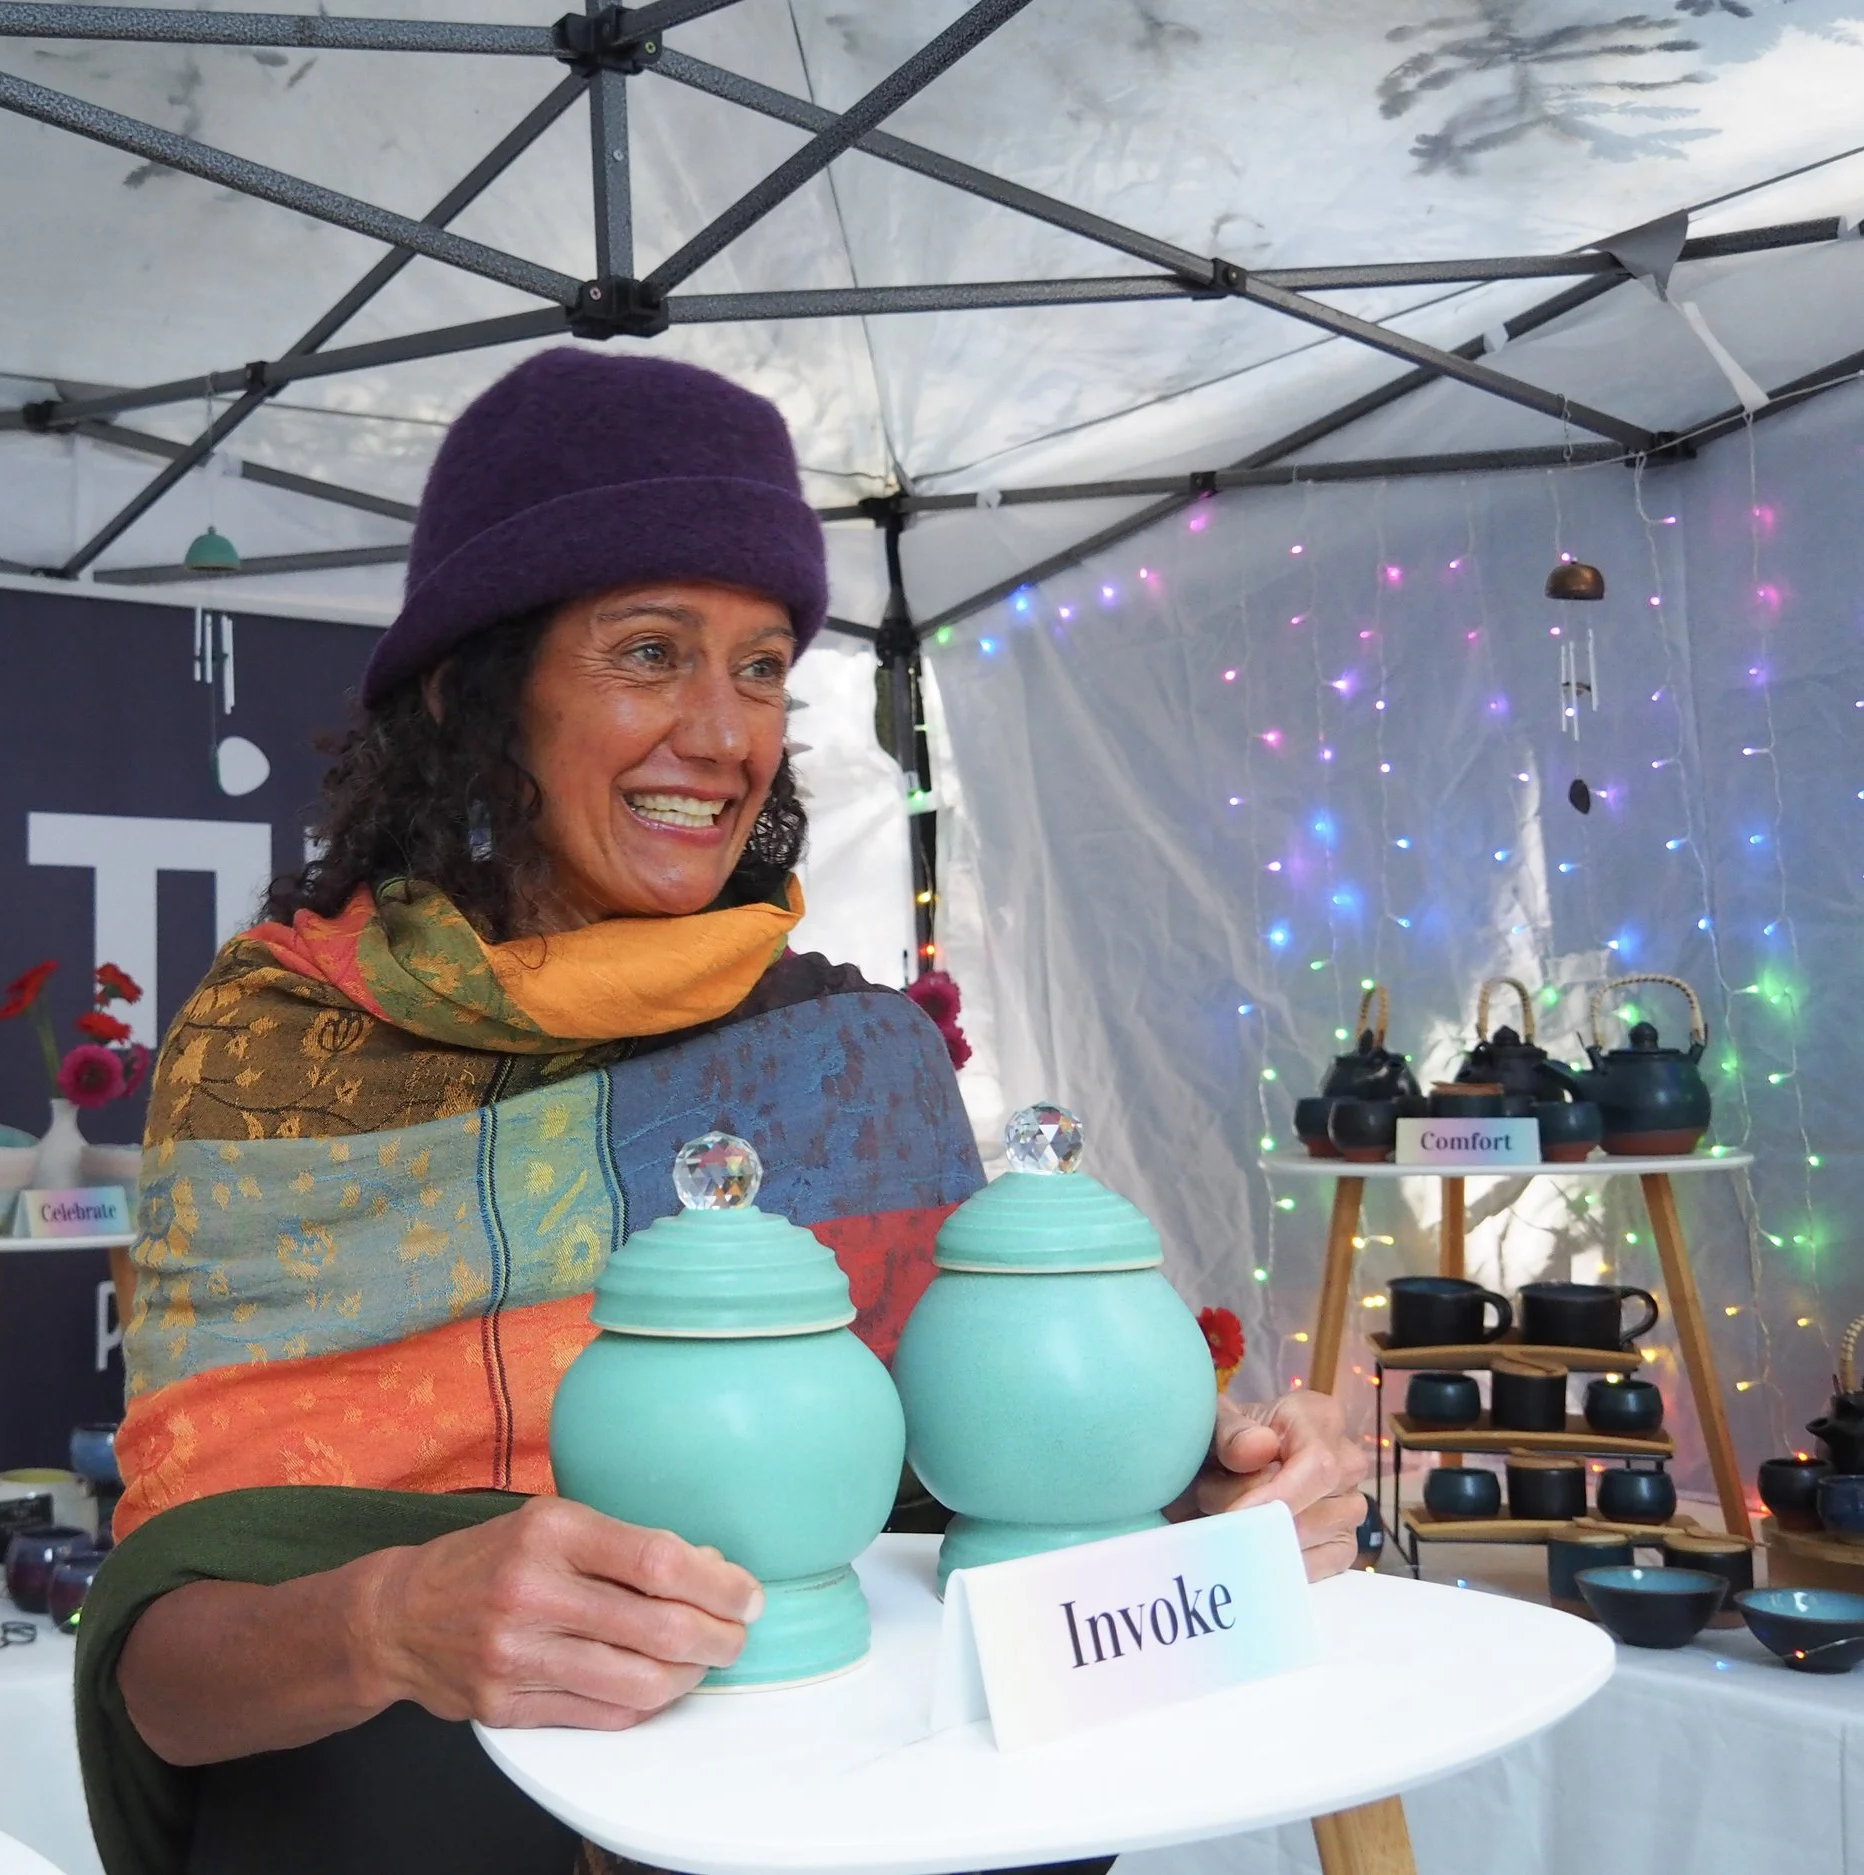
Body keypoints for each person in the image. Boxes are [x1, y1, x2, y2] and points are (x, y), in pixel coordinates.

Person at [72, 349, 1368, 1875]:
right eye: (648, 652)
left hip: (824, 1811)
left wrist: (1199, 1496)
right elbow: (168, 1668)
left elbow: (965, 1508)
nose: (721, 730)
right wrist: (385, 1619)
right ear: (471, 689)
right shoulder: (279, 1045)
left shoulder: (847, 1053)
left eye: (759, 667)